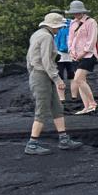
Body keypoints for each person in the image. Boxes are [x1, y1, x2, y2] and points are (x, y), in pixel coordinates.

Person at [23, 13, 84, 155]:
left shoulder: (37, 34)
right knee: (42, 109)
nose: (60, 29)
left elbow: (29, 57)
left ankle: (64, 139)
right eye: (59, 26)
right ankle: (32, 144)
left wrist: (32, 71)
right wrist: (57, 79)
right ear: (53, 26)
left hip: (39, 74)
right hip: (42, 75)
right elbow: (46, 61)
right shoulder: (46, 37)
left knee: (57, 107)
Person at [65, 0, 98, 114]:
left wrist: (83, 53)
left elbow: (92, 40)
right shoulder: (72, 23)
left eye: (78, 12)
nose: (76, 14)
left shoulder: (91, 22)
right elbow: (70, 38)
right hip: (75, 55)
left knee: (78, 79)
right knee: (81, 81)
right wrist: (71, 51)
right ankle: (86, 107)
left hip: (88, 55)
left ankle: (92, 103)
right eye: (74, 12)